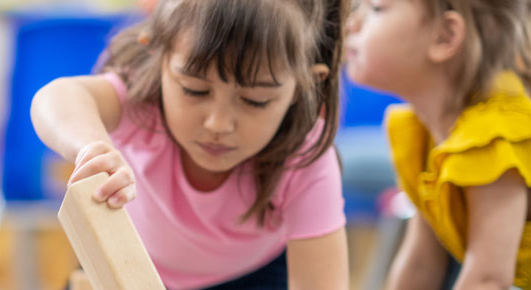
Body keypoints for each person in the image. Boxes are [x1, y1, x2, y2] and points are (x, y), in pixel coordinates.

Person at [31, 0, 350, 288]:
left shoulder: (306, 158)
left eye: (256, 101)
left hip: (252, 277)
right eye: (195, 90)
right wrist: (90, 148)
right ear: (156, 53)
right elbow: (56, 97)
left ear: (303, 86)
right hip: (125, 264)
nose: (218, 124)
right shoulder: (140, 99)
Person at [346, 0, 531, 288]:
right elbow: (422, 263)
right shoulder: (427, 126)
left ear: (445, 36)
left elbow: (488, 279)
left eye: (377, 9)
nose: (352, 23)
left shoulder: (492, 137)